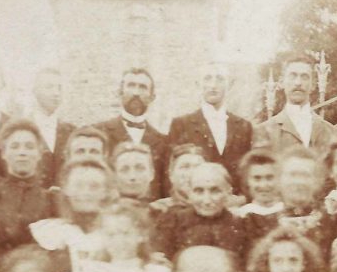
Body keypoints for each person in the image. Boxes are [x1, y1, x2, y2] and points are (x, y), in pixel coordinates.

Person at [167, 62, 253, 192]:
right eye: (207, 78)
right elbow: (172, 172)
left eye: (220, 79)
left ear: (229, 85)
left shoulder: (244, 126)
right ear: (198, 84)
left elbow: (247, 172)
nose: (213, 85)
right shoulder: (181, 124)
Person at [151, 162, 251, 272]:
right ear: (189, 193)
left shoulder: (241, 225)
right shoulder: (173, 222)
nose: (207, 200)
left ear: (228, 192)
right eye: (199, 191)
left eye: (215, 191)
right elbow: (161, 265)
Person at [30, 158, 117, 272]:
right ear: (66, 189)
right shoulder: (48, 233)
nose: (86, 193)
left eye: (94, 187)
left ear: (106, 192)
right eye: (78, 186)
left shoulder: (117, 235)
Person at [0, 119, 58, 251]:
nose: (22, 152)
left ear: (39, 154)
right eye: (14, 146)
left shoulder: (51, 200)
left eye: (29, 147)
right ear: (3, 153)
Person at [93, 68, 168, 198]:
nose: (136, 93)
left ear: (152, 97)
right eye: (131, 85)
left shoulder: (163, 141)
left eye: (143, 87)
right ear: (119, 92)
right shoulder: (99, 133)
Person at [256, 54, 337, 156]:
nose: (298, 82)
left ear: (313, 85)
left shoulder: (330, 132)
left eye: (304, 77)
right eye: (292, 76)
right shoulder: (264, 131)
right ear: (281, 82)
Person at [29, 67, 76, 187]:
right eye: (49, 87)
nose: (56, 93)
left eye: (59, 88)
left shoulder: (72, 131)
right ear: (35, 91)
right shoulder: (22, 128)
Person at [231, 150, 284, 245]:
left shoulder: (286, 211)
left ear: (279, 179)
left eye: (269, 178)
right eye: (257, 178)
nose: (263, 185)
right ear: (247, 181)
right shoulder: (242, 215)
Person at [275, 145, 326, 240]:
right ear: (279, 180)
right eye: (292, 174)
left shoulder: (329, 223)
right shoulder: (264, 223)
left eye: (305, 175)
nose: (299, 182)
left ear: (317, 181)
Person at [149, 143, 205, 221]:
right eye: (185, 167)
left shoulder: (217, 209)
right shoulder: (156, 210)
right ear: (171, 174)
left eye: (198, 167)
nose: (192, 173)